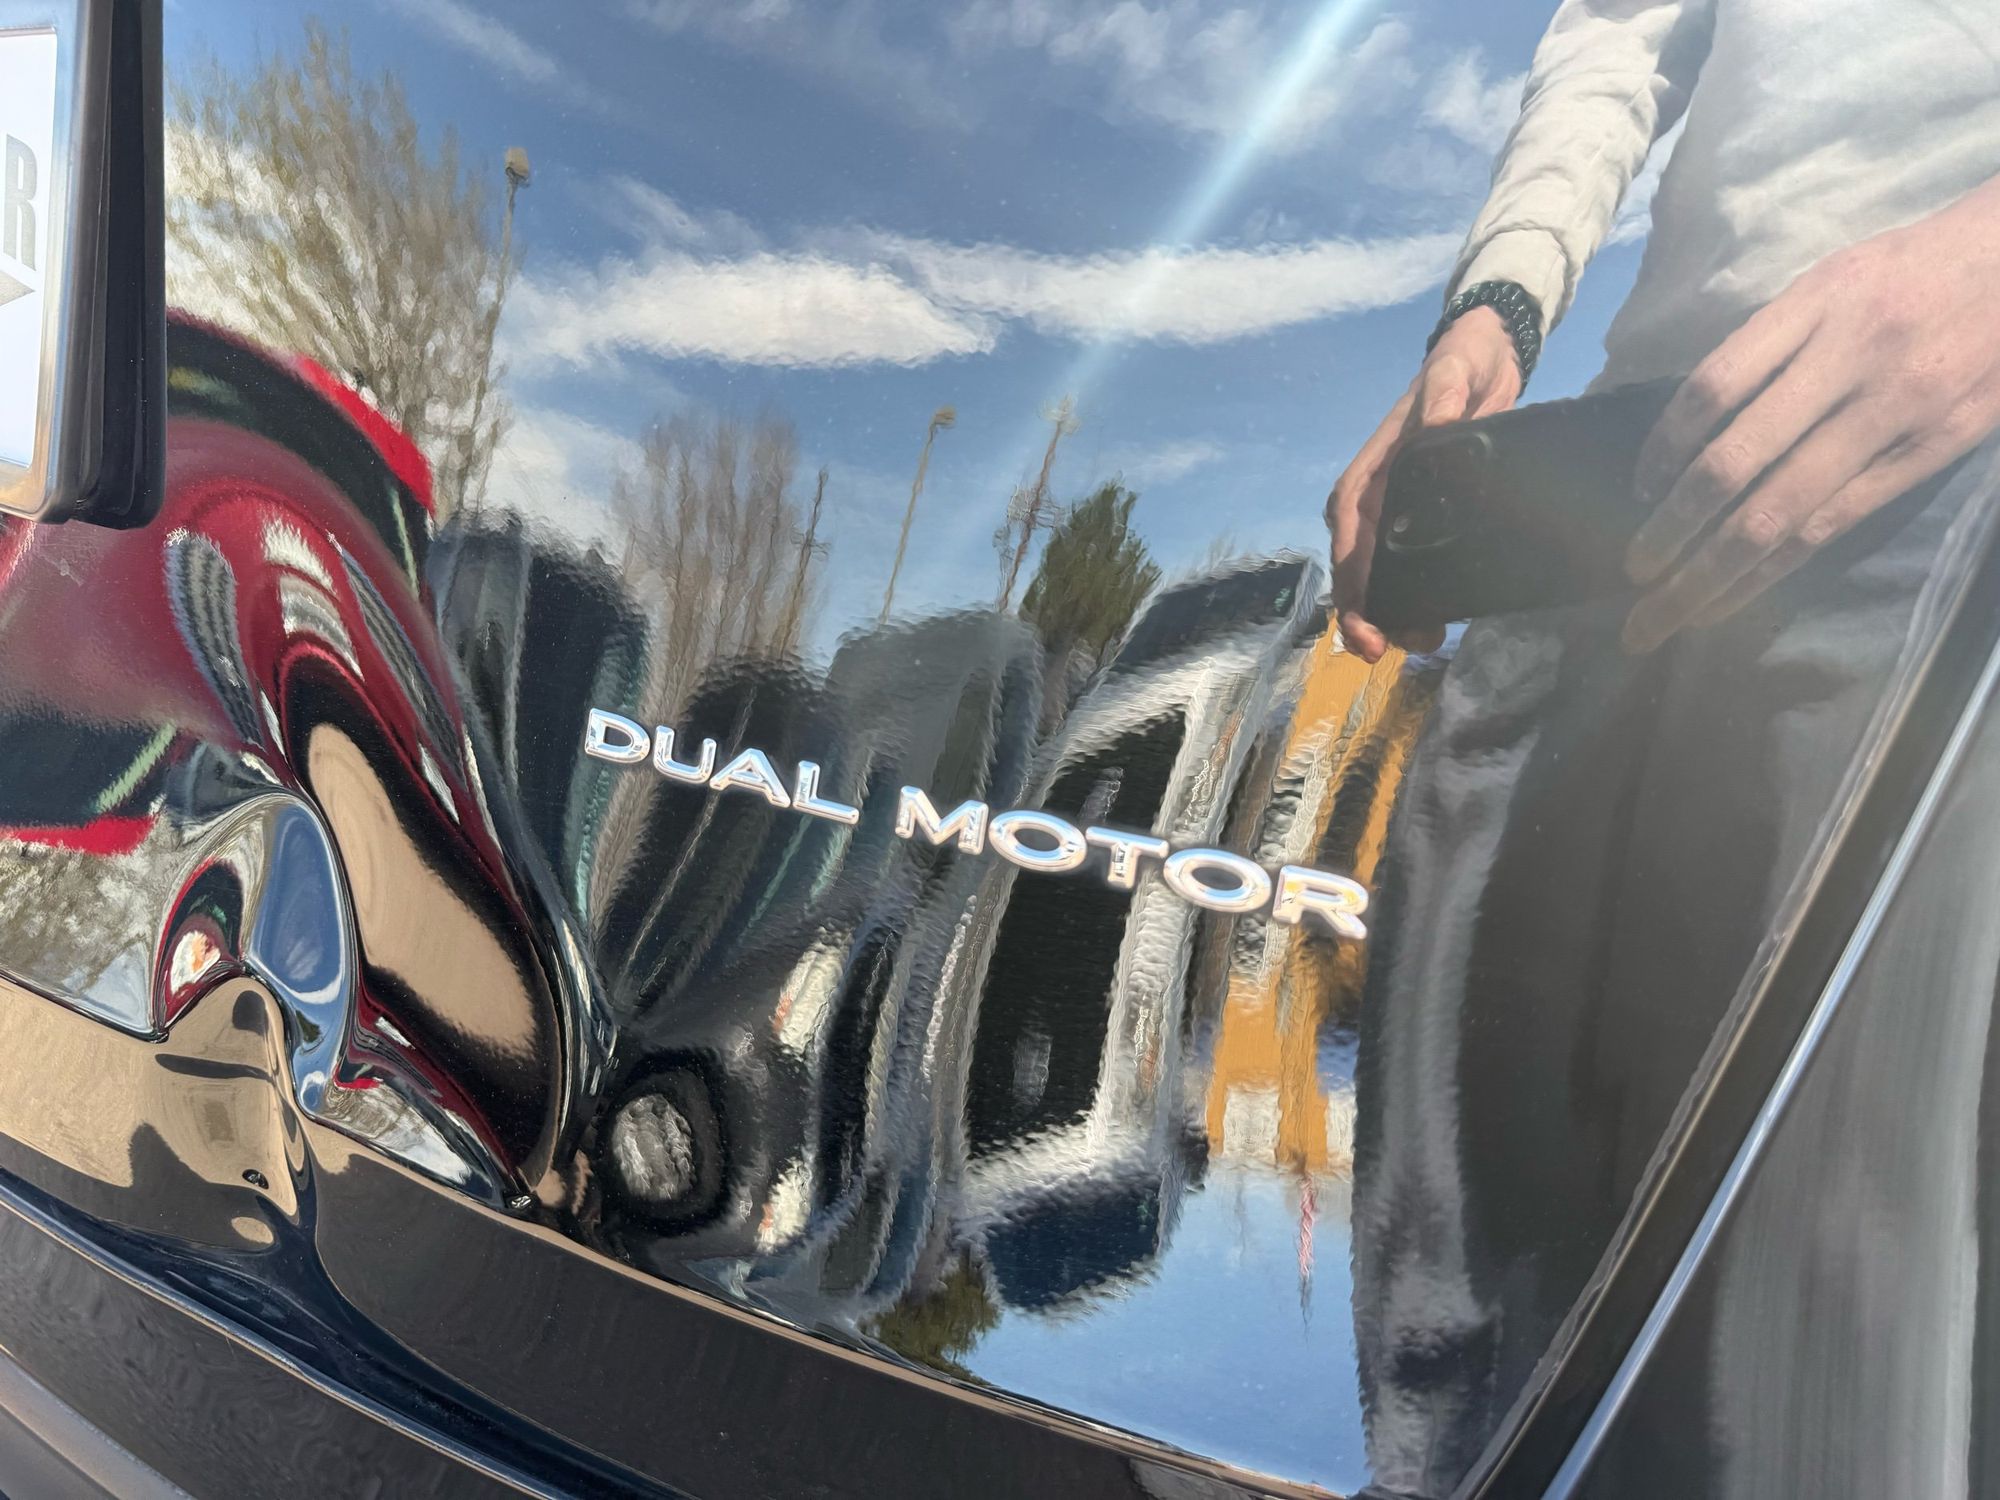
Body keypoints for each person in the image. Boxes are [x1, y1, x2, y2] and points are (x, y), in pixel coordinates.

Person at [1328, 1, 2000, 1494]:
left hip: (1950, 503)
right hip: (1619, 467)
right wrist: (1496, 306)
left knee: (1809, 1371)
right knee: (1448, 1303)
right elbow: (1619, 30)